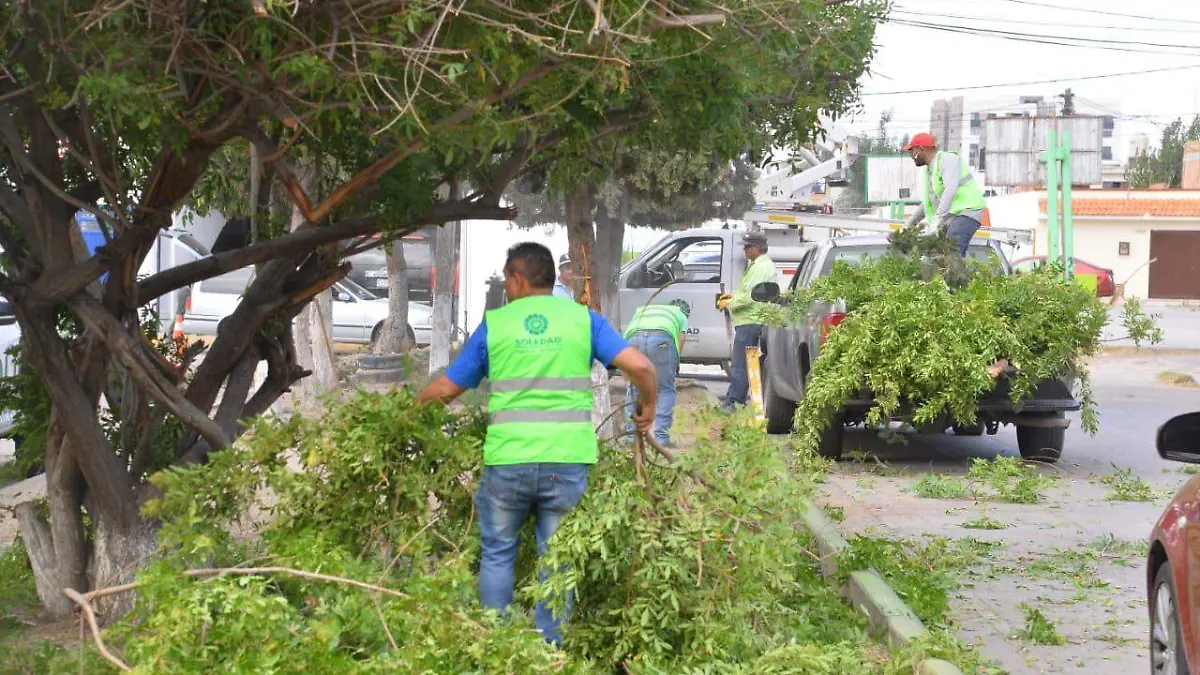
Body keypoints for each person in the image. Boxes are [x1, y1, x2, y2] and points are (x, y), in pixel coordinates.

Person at [416, 242, 658, 646]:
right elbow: (642, 366)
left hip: (508, 461)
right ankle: (549, 651)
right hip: (566, 462)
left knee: (497, 553)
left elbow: (446, 388)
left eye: (507, 279)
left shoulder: (497, 325)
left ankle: (495, 646)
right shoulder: (585, 321)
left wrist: (403, 412)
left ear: (516, 278)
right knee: (558, 559)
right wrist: (647, 407)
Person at [716, 231, 781, 413]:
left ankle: (733, 403)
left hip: (750, 321)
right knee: (745, 364)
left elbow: (751, 296)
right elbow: (750, 292)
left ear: (757, 248)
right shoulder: (760, 265)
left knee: (740, 365)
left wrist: (730, 303)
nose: (745, 250)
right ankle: (735, 401)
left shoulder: (760, 267)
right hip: (753, 320)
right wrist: (734, 296)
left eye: (747, 246)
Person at [902, 132, 989, 257]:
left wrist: (937, 220)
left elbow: (950, 189)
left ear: (921, 149)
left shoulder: (947, 160)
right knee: (935, 256)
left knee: (951, 252)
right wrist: (907, 226)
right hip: (951, 217)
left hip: (968, 212)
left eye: (912, 150)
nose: (911, 155)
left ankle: (956, 274)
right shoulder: (929, 171)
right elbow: (927, 204)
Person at [622, 301, 688, 446]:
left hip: (635, 339)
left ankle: (631, 437)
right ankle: (662, 438)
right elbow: (681, 338)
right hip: (661, 340)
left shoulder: (642, 310)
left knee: (634, 388)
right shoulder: (680, 315)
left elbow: (626, 335)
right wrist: (674, 362)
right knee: (665, 389)